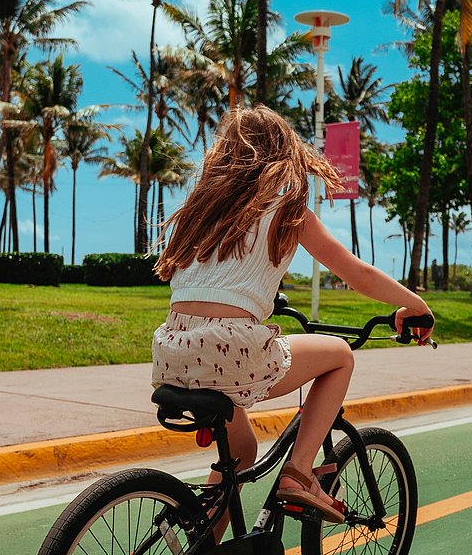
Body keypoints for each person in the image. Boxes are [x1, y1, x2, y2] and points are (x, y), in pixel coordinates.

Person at [152, 106, 433, 522]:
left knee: (242, 450)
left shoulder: (201, 208)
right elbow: (357, 273)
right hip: (230, 349)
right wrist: (416, 305)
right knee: (340, 355)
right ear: (283, 152)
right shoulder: (286, 206)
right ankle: (299, 473)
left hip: (171, 350)